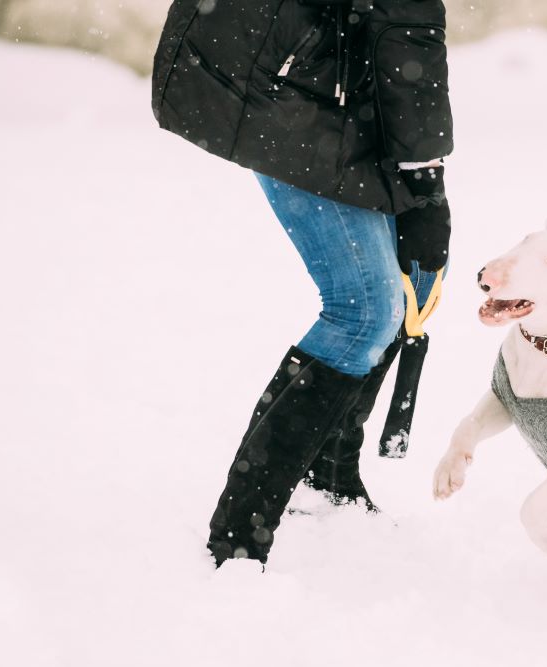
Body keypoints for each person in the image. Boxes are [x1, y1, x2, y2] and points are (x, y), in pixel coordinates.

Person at [151, 0, 454, 567]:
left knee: (411, 280)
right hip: (295, 96)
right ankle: (239, 535)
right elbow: (408, 37)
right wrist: (425, 182)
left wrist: (423, 186)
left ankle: (327, 482)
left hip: (331, 87)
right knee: (365, 310)